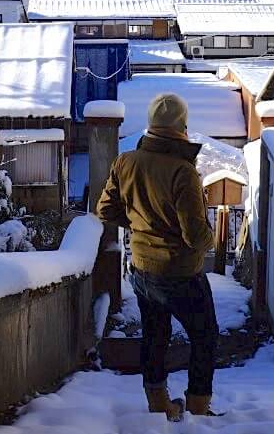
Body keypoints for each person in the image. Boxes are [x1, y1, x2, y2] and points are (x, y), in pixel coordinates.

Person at [96, 93, 219, 421]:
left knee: (155, 334)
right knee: (204, 337)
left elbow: (105, 209)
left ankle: (158, 403)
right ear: (182, 126)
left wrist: (139, 225)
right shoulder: (183, 171)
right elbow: (195, 236)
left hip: (141, 270)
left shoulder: (125, 162)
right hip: (180, 273)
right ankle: (197, 407)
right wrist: (212, 238)